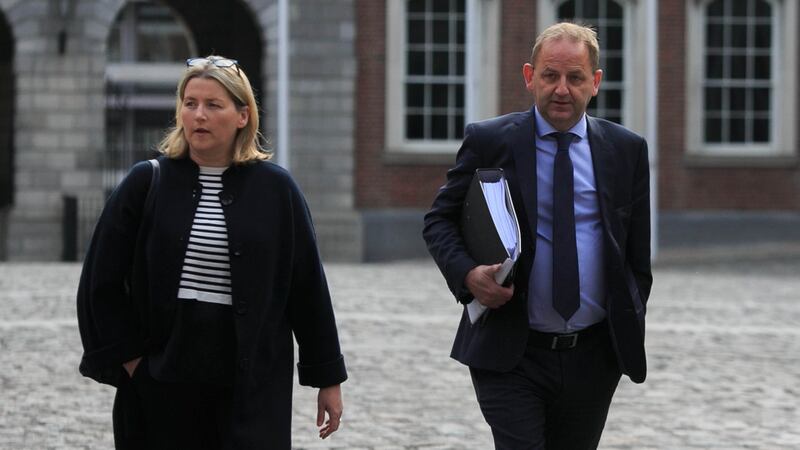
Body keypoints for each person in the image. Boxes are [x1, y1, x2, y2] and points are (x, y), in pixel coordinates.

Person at [77, 55, 347, 449]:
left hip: (251, 383)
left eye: (213, 105)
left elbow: (307, 288)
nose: (198, 115)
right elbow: (100, 283)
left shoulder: (277, 190)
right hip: (162, 379)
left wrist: (328, 378)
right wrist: (133, 364)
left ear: (242, 116)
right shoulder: (146, 182)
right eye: (190, 103)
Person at [423, 22, 652, 449]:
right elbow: (439, 220)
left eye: (574, 77)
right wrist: (469, 276)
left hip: (592, 356)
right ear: (530, 77)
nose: (561, 89)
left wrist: (627, 318)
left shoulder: (625, 151)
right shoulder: (490, 141)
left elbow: (636, 255)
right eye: (550, 75)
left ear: (595, 82)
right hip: (512, 352)